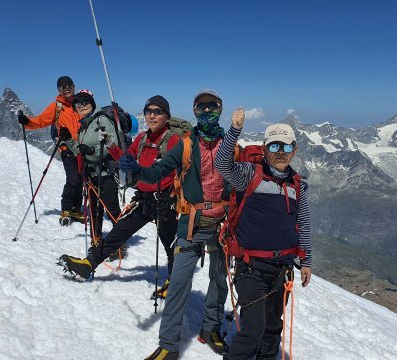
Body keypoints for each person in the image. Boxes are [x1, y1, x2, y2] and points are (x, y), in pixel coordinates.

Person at [119, 89, 231, 360]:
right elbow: (159, 170)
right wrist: (136, 170)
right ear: (194, 111)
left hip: (222, 225)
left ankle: (210, 328)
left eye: (211, 106)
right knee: (179, 283)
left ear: (219, 109)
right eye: (201, 107)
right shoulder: (186, 144)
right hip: (192, 223)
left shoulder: (231, 146)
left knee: (219, 281)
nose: (206, 112)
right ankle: (169, 345)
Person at [214, 112, 312, 360]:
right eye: (274, 146)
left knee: (271, 329)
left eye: (286, 146)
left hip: (282, 268)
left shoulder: (298, 185)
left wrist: (306, 261)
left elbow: (304, 222)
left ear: (294, 150)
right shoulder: (249, 174)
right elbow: (222, 164)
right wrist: (234, 131)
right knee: (253, 331)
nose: (281, 152)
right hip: (252, 268)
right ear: (265, 148)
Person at [58, 95, 179, 293]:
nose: (152, 116)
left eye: (158, 112)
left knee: (170, 244)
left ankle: (174, 282)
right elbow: (126, 158)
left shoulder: (173, 141)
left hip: (166, 202)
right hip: (144, 200)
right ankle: (89, 264)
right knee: (118, 232)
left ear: (166, 116)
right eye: (149, 111)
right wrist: (111, 146)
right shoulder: (141, 139)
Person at [17, 76, 84, 225]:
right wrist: (27, 122)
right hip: (67, 148)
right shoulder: (56, 107)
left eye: (68, 86)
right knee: (73, 179)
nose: (66, 89)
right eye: (62, 87)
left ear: (73, 87)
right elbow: (41, 120)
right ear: (58, 90)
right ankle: (66, 209)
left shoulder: (81, 103)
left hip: (82, 149)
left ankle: (76, 208)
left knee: (80, 180)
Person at [62, 89, 122, 249]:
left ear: (92, 104)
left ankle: (119, 244)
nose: (81, 105)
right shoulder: (83, 127)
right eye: (78, 103)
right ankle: (97, 242)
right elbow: (81, 152)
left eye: (85, 102)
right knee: (95, 211)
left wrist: (92, 151)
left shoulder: (102, 120)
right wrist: (68, 140)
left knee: (112, 211)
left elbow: (112, 145)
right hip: (91, 176)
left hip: (106, 173)